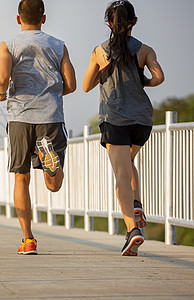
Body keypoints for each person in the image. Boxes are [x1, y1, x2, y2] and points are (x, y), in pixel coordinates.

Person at [83, 0, 164, 256]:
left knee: (120, 174)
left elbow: (86, 85)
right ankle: (136, 202)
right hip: (141, 119)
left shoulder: (100, 51)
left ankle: (132, 230)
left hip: (114, 117)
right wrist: (144, 82)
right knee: (128, 164)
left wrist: (103, 73)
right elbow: (159, 77)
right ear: (134, 22)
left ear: (109, 23)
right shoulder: (145, 50)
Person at [0, 0, 76, 255]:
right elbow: (71, 84)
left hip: (20, 117)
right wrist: (51, 93)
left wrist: (0, 92)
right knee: (53, 185)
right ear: (44, 18)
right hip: (51, 116)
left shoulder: (7, 45)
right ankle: (50, 159)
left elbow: (1, 78)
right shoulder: (59, 46)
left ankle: (28, 239)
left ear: (18, 19)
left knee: (21, 177)